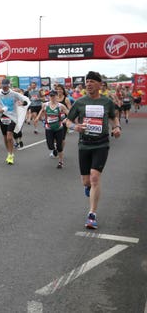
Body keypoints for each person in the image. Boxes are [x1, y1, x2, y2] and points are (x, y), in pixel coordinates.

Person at [65, 71, 121, 230]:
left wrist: (116, 127)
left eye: (92, 81)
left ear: (100, 84)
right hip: (84, 144)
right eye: (87, 81)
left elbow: (113, 116)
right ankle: (88, 187)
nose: (88, 84)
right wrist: (76, 127)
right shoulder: (80, 102)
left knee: (95, 177)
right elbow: (67, 121)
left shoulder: (107, 102)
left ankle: (92, 215)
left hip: (101, 144)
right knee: (87, 181)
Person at [0, 78, 30, 165]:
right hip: (3, 117)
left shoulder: (14, 94)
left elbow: (26, 101)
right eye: (3, 86)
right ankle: (9, 153)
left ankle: (11, 155)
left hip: (12, 117)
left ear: (9, 86)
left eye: (6, 86)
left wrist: (21, 104)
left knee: (9, 137)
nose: (4, 88)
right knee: (5, 137)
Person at [34, 90, 70, 169]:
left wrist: (66, 119)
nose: (52, 97)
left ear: (57, 96)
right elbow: (41, 111)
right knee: (50, 146)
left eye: (54, 96)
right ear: (49, 97)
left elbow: (69, 114)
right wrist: (37, 117)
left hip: (59, 128)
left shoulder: (60, 106)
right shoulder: (45, 105)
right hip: (49, 128)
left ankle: (60, 162)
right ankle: (54, 148)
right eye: (51, 96)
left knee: (60, 147)